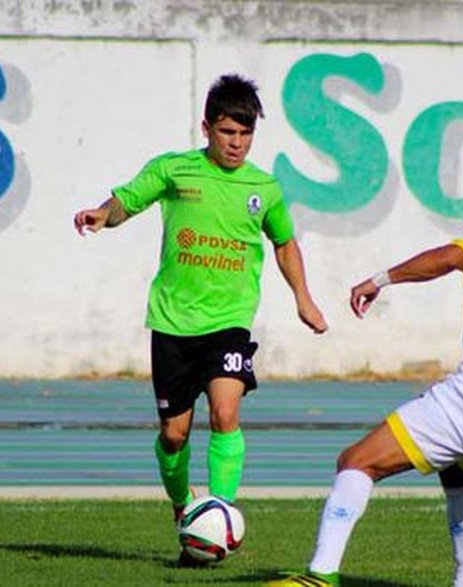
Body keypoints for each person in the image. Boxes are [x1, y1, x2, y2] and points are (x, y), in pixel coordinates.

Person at [267, 152, 463, 587]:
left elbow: (453, 257)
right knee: (457, 471)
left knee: (357, 461)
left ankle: (320, 577)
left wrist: (380, 279)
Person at [74, 74, 329, 564]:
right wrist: (102, 215)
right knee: (174, 434)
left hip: (229, 321)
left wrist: (304, 298)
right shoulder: (175, 171)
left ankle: (218, 511)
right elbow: (129, 198)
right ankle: (183, 510)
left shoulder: (264, 187)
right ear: (207, 127)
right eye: (228, 132)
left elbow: (284, 242)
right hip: (173, 322)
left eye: (245, 134)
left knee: (227, 414)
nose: (237, 143)